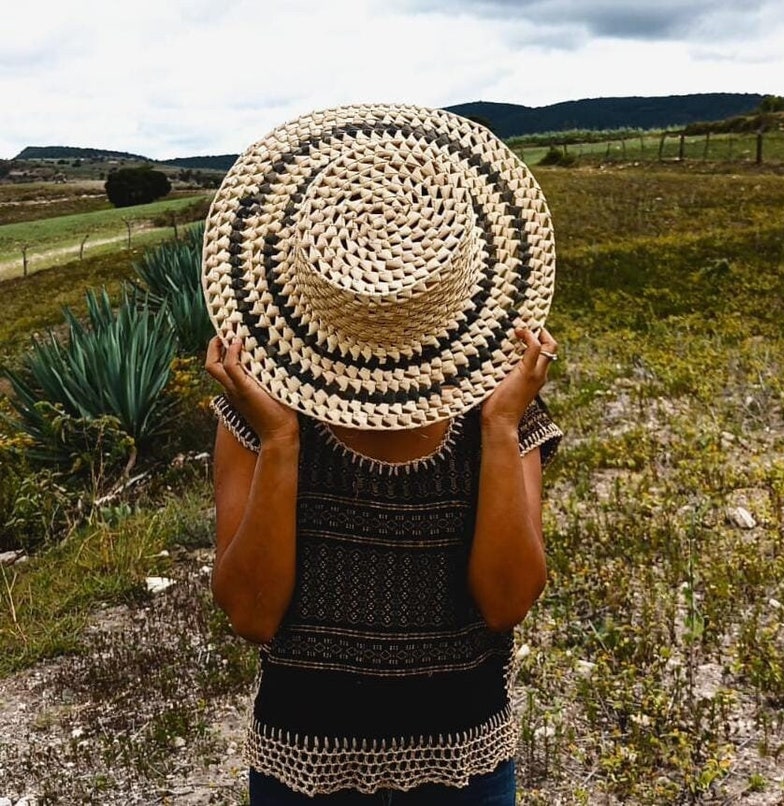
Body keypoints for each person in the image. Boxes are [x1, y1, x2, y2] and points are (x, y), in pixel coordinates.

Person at [201, 103, 563, 805]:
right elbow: (252, 615)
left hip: (467, 765)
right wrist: (280, 442)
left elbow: (506, 602)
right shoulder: (258, 416)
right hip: (302, 767)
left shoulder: (503, 409)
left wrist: (499, 428)